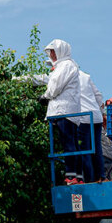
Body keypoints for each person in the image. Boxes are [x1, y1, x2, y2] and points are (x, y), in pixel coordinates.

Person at [39, 39, 84, 183]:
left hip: (63, 111)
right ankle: (78, 175)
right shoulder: (68, 66)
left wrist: (45, 96)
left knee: (68, 143)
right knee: (73, 144)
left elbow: (55, 86)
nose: (51, 55)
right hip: (69, 111)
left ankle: (71, 175)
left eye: (53, 52)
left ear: (61, 51)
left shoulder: (65, 65)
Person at [76, 69, 105, 181]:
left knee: (85, 150)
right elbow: (98, 95)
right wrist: (101, 113)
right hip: (96, 117)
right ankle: (100, 176)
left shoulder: (66, 76)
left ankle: (89, 180)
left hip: (84, 117)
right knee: (97, 148)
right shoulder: (85, 76)